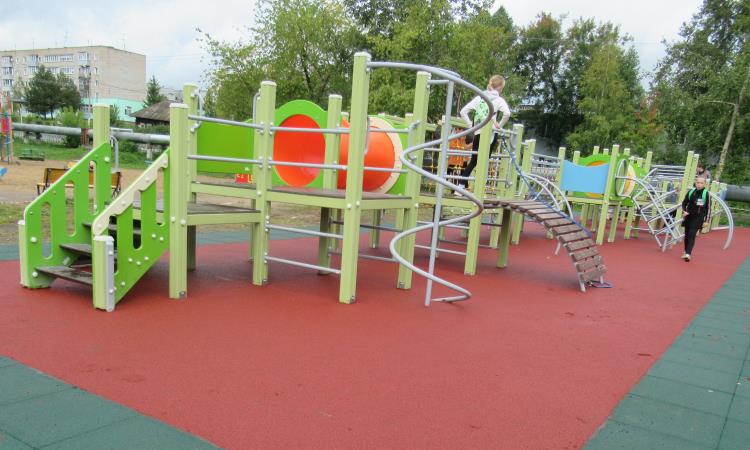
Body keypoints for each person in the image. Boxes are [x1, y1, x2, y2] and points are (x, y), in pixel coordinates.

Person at [455, 75, 511, 193]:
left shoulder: (480, 97)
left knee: (474, 160)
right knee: (484, 161)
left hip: (478, 133)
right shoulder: (499, 100)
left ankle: (460, 186)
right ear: (500, 87)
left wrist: (472, 126)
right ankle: (479, 190)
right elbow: (507, 114)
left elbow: (463, 112)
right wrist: (499, 125)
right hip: (490, 134)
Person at [680, 176, 710, 262]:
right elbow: (684, 203)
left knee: (692, 235)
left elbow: (708, 208)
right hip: (688, 216)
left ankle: (688, 254)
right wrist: (684, 211)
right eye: (698, 182)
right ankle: (686, 251)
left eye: (701, 183)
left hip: (698, 217)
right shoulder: (691, 192)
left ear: (704, 184)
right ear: (695, 183)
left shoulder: (706, 194)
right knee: (687, 235)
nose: (699, 184)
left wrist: (707, 220)